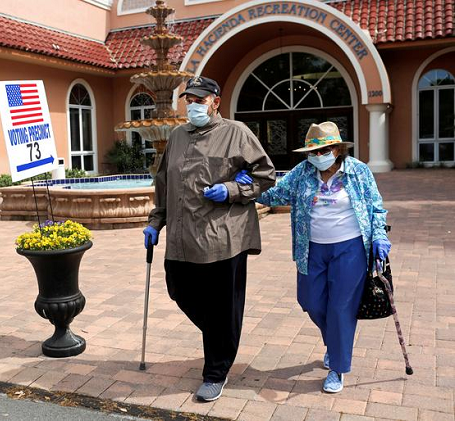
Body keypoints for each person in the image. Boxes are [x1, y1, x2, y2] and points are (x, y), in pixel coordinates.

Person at [142, 76, 275, 402]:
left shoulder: (236, 133)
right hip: (182, 238)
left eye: (200, 100)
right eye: (190, 100)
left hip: (222, 238)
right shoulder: (177, 136)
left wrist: (231, 189)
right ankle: (223, 338)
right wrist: (155, 222)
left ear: (216, 101)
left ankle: (216, 371)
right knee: (179, 289)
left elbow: (265, 174)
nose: (194, 105)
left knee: (221, 306)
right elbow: (163, 182)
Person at [235, 121, 391, 393]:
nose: (319, 157)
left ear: (337, 149)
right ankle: (335, 342)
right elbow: (276, 195)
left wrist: (379, 236)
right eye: (313, 152)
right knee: (309, 300)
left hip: (350, 248)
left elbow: (376, 208)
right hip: (312, 249)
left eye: (325, 150)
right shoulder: (302, 173)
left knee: (341, 307)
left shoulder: (358, 172)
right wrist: (247, 187)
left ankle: (337, 368)